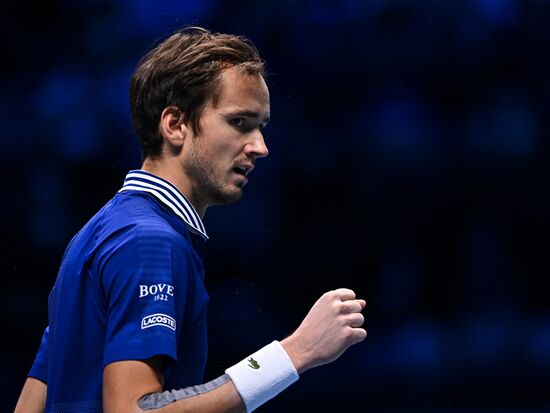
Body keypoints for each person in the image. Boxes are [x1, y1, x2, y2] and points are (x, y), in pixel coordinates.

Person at [15, 26, 367, 413]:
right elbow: (133, 410)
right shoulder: (150, 243)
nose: (260, 147)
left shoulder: (96, 233)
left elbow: (33, 403)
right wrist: (294, 354)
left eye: (261, 127)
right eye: (239, 122)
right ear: (175, 125)